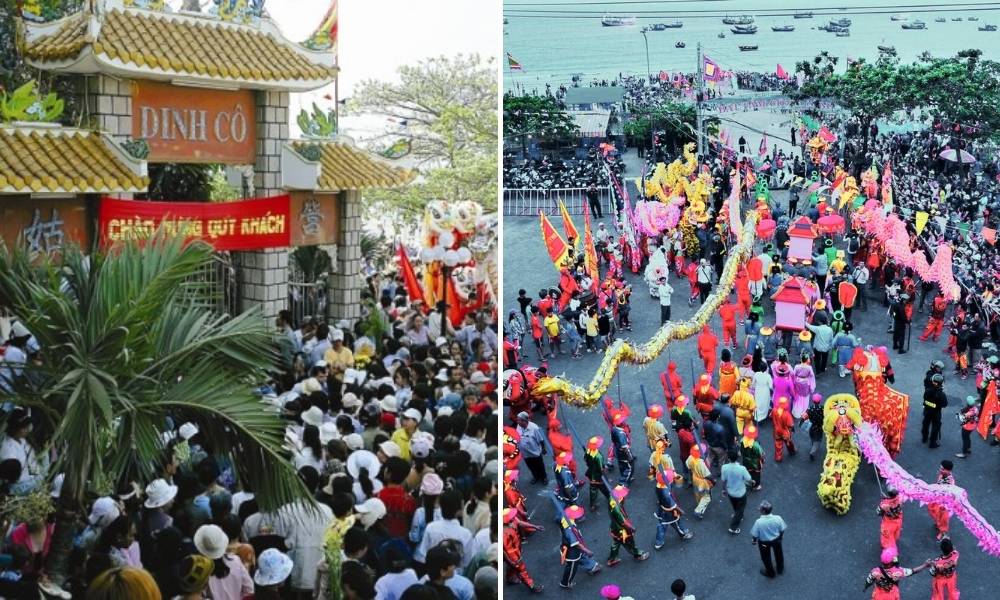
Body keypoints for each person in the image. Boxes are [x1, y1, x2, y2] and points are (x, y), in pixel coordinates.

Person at [605, 485, 650, 566]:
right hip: (622, 530)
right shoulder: (617, 508)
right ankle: (638, 554)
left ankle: (612, 559)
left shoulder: (612, 498)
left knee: (616, 542)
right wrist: (632, 528)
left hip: (614, 527)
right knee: (630, 542)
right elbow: (623, 522)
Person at [558, 505, 601, 589]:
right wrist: (587, 550)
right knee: (572, 568)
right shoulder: (570, 529)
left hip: (571, 548)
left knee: (580, 556)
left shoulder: (567, 520)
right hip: (572, 553)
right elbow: (576, 543)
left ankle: (591, 566)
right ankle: (565, 583)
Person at [501, 509, 542, 593]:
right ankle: (532, 586)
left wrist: (534, 526)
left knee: (512, 567)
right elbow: (503, 551)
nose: (514, 518)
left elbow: (520, 523)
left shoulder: (511, 520)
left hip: (516, 549)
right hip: (512, 555)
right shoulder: (503, 534)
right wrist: (510, 560)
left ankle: (509, 579)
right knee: (522, 570)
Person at [864, 546, 928, 600]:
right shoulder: (898, 571)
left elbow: (869, 581)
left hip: (878, 595)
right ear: (891, 563)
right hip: (892, 596)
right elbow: (913, 571)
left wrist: (866, 587)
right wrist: (925, 565)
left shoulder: (875, 571)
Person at [750, 501, 787, 578]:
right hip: (776, 540)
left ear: (763, 511)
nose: (758, 508)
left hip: (764, 543)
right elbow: (782, 529)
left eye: (760, 508)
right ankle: (780, 569)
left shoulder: (759, 522)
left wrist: (753, 541)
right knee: (779, 554)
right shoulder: (778, 518)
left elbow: (755, 534)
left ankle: (770, 573)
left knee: (766, 557)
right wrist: (780, 537)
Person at [720, 450, 751, 535]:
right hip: (741, 493)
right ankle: (733, 527)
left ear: (728, 458)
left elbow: (723, 480)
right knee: (741, 508)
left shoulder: (724, 467)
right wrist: (752, 482)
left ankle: (738, 516)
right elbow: (748, 479)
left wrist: (723, 490)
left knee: (735, 506)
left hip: (730, 492)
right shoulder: (742, 469)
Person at [514, 412, 548, 485]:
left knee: (540, 466)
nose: (517, 421)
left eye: (519, 420)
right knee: (531, 466)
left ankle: (544, 477)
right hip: (525, 453)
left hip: (535, 452)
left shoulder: (534, 428)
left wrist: (543, 449)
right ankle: (536, 477)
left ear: (524, 421)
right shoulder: (518, 426)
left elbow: (541, 440)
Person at [928, 460, 955, 541]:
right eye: (940, 468)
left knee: (944, 519)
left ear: (948, 470)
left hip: (944, 503)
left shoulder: (950, 482)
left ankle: (944, 533)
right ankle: (939, 524)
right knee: (934, 512)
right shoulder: (942, 475)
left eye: (942, 469)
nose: (940, 470)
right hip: (938, 499)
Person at [584, 436, 610, 511]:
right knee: (604, 487)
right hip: (598, 476)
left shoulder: (587, 452)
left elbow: (585, 460)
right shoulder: (598, 456)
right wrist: (605, 474)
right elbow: (601, 468)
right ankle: (610, 498)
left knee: (593, 489)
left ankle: (592, 504)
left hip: (591, 473)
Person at [921, 374, 947, 448]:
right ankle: (932, 443)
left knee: (925, 425)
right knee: (935, 428)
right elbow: (945, 404)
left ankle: (924, 438)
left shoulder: (928, 391)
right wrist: (937, 406)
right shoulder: (942, 394)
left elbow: (925, 399)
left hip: (927, 411)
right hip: (936, 413)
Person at [771, 397, 796, 462]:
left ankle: (778, 457)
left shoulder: (774, 410)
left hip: (776, 431)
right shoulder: (787, 414)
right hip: (785, 433)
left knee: (778, 444)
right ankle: (792, 451)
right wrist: (791, 431)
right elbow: (790, 425)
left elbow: (771, 416)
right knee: (789, 442)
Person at [741, 424, 765, 491]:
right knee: (756, 473)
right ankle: (756, 485)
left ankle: (750, 482)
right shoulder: (755, 445)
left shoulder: (742, 441)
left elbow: (741, 451)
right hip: (755, 462)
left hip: (746, 460)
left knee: (749, 472)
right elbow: (761, 454)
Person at [804, 393, 824, 461]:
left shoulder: (810, 408)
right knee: (817, 440)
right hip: (819, 427)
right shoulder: (822, 408)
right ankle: (812, 452)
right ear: (820, 401)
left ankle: (813, 446)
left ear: (813, 401)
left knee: (812, 437)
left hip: (811, 426)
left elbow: (804, 417)